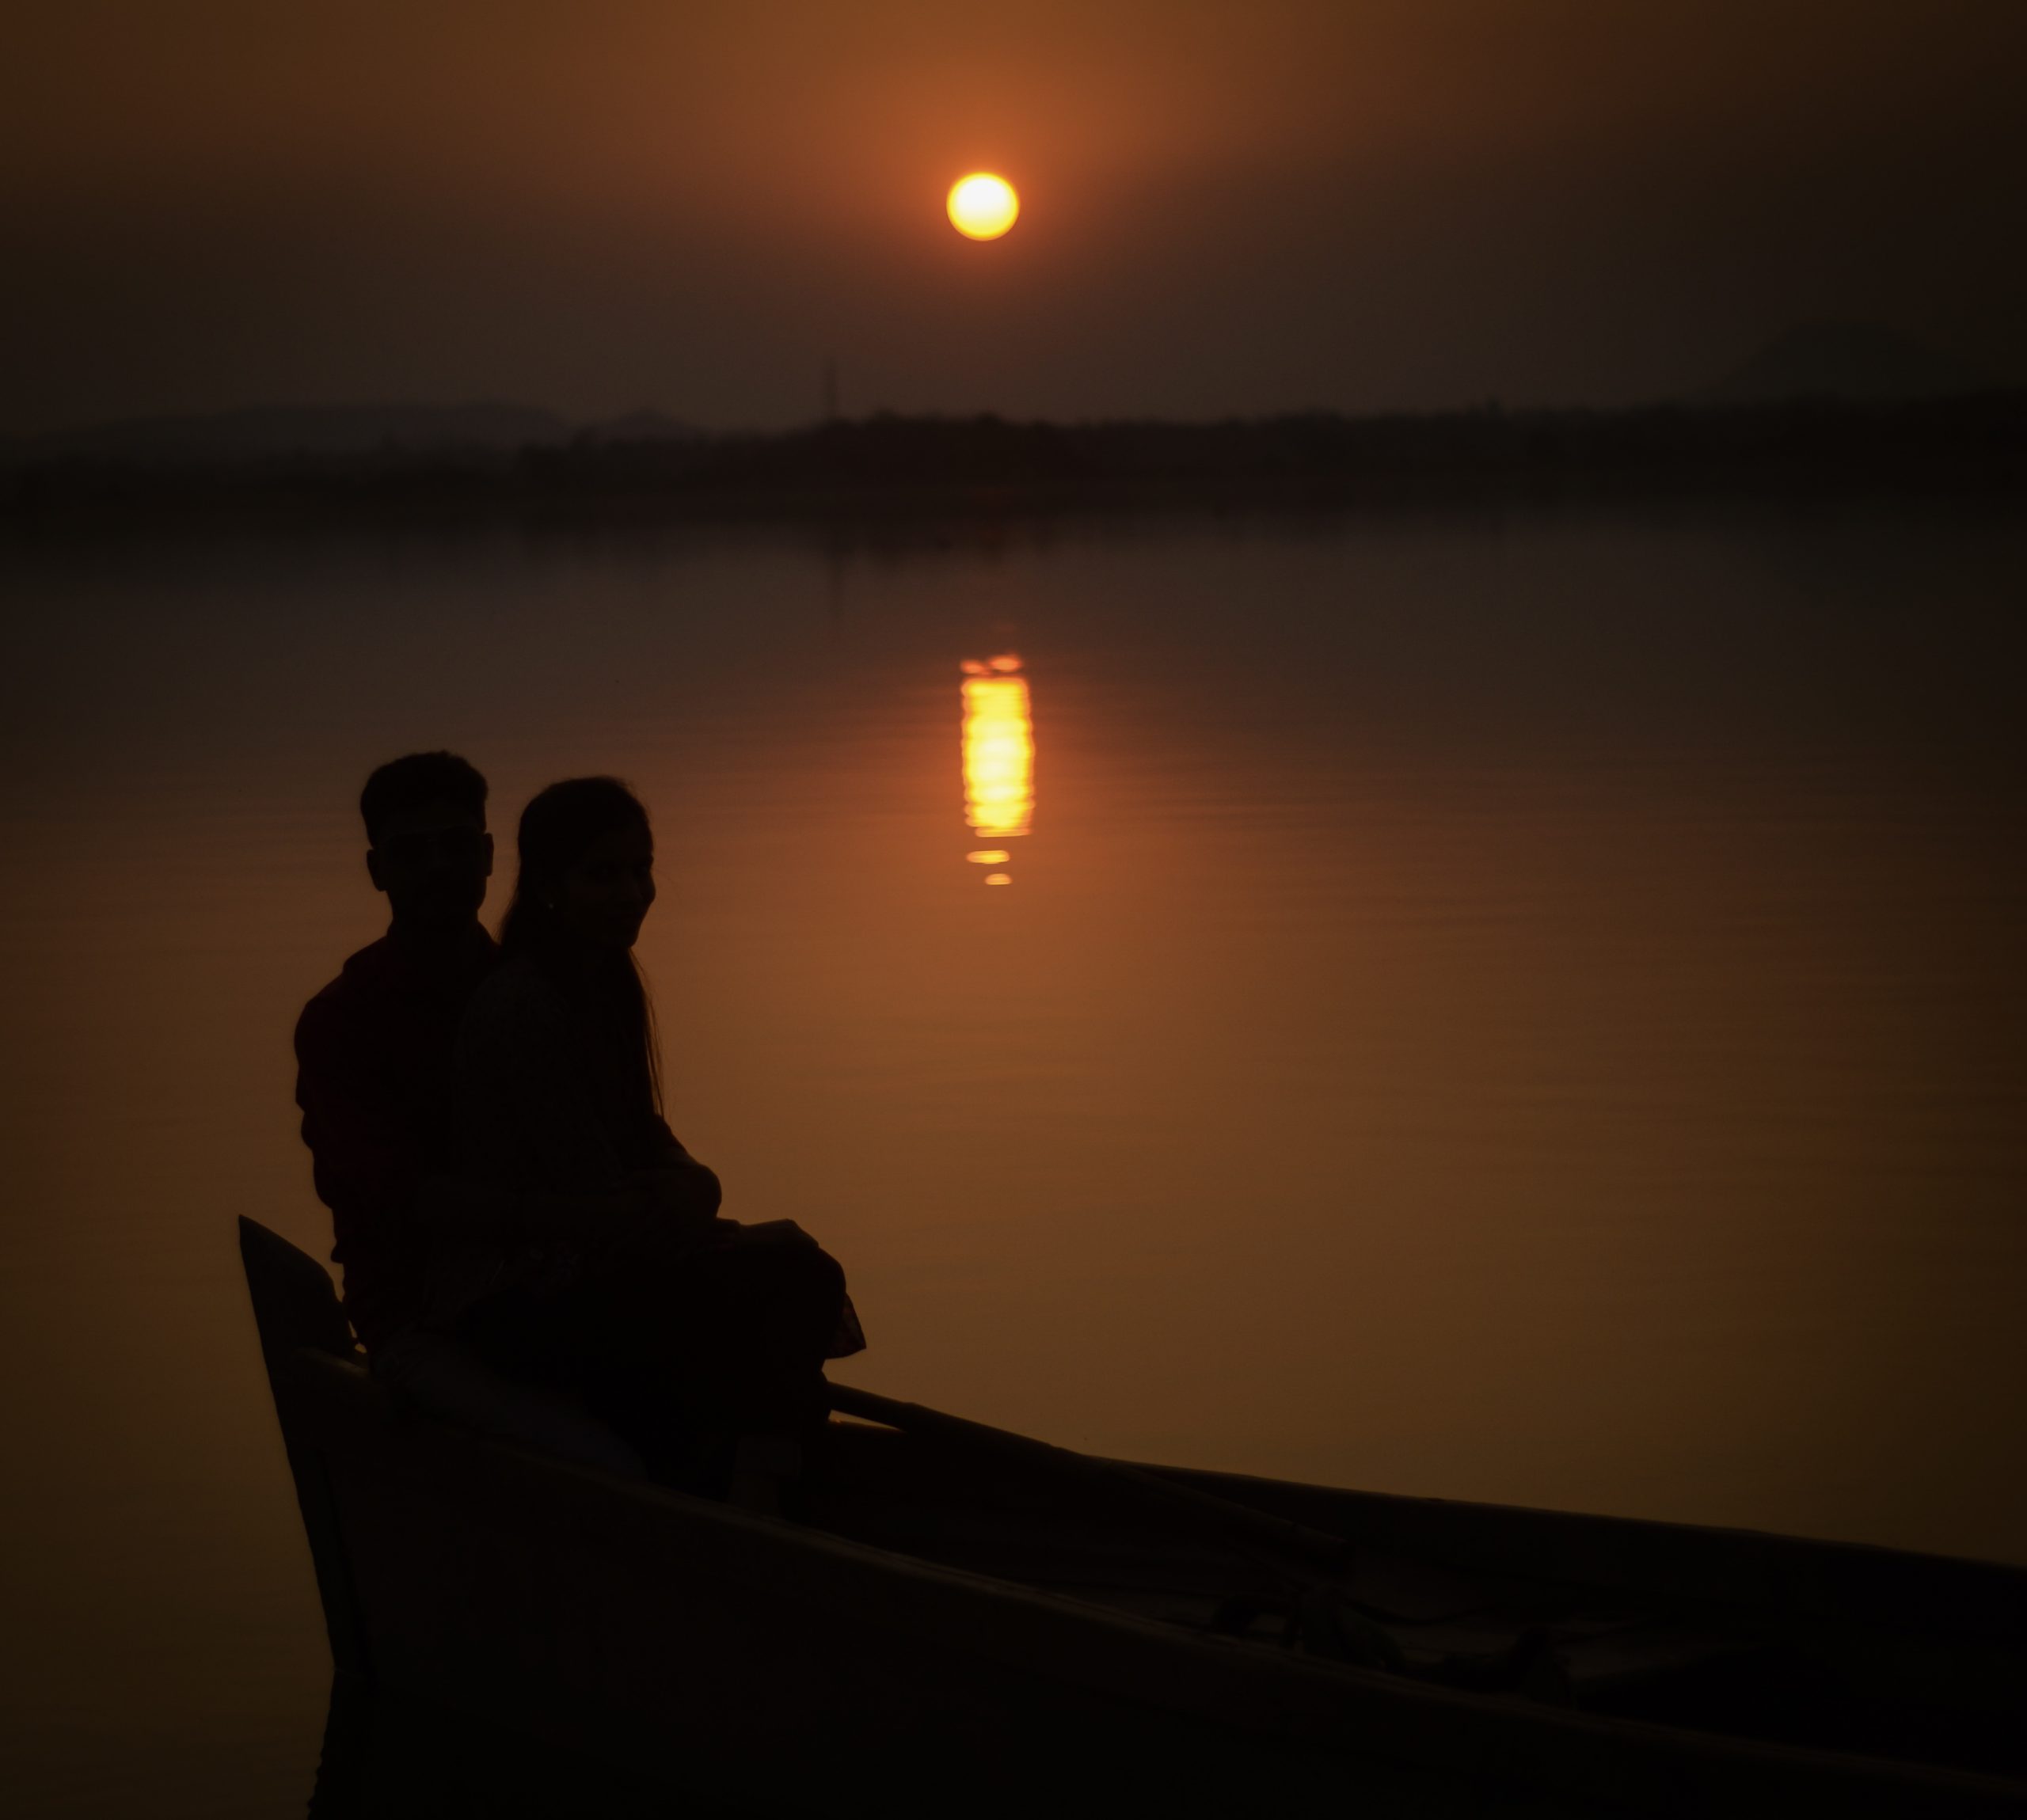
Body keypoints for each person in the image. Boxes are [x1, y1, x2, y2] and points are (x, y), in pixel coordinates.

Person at [446, 776, 863, 1501]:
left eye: (641, 869)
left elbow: (643, 1133)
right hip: (524, 1291)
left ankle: (760, 1463)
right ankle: (757, 1478)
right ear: (549, 884)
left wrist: (691, 1179)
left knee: (790, 1267)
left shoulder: (606, 981)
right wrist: (687, 1211)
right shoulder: (523, 1006)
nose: (632, 891)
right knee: (797, 1274)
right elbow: (592, 1193)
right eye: (603, 873)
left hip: (602, 1253)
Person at [294, 751, 500, 1355]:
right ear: (376, 869)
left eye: (457, 845)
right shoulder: (341, 1020)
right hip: (417, 1312)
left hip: (553, 1272)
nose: (438, 867)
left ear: (488, 855)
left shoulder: (535, 985)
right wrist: (585, 1217)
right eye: (412, 851)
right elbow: (397, 1197)